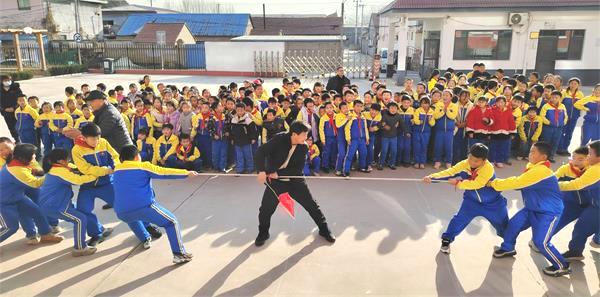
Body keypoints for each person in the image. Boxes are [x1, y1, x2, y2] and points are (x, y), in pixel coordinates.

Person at [489, 142, 570, 277]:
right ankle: (508, 248)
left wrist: (492, 183)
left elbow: (517, 182)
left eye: (533, 152)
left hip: (548, 213)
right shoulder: (533, 167)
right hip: (531, 208)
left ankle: (562, 266)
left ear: (543, 156)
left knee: (541, 242)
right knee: (512, 226)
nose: (529, 154)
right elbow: (522, 183)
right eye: (530, 151)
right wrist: (518, 184)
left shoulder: (541, 171)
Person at [254, 121, 335, 246]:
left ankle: (324, 230)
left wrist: (278, 174)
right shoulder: (279, 139)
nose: (306, 138)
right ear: (294, 134)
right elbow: (260, 152)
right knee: (265, 209)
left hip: (295, 180)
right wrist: (261, 171)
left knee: (312, 205)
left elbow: (297, 169)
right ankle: (263, 233)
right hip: (275, 182)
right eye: (304, 135)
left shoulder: (303, 147)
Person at [114, 145, 197, 264]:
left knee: (132, 217)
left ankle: (145, 238)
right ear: (137, 156)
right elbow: (164, 172)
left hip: (121, 212)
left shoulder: (117, 168)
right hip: (143, 207)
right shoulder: (143, 167)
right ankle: (179, 254)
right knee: (171, 222)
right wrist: (186, 173)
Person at [424, 143, 508, 254]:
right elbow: (450, 172)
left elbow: (477, 184)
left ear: (484, 160)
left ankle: (508, 246)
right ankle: (446, 240)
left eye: (476, 161)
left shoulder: (488, 168)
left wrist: (458, 183)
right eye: (470, 158)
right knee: (459, 220)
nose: (472, 162)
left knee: (503, 224)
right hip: (471, 202)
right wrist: (432, 178)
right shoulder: (465, 163)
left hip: (493, 203)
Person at [0, 143, 64, 244]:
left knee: (38, 213)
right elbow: (36, 184)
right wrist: (53, 174)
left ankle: (45, 235)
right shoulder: (17, 170)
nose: (34, 156)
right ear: (24, 157)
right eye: (33, 154)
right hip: (3, 203)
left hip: (17, 198)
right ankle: (33, 234)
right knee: (11, 227)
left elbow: (36, 171)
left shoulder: (17, 162)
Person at [39, 149, 98, 256]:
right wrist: (95, 175)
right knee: (80, 219)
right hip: (56, 206)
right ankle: (80, 248)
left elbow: (72, 167)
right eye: (68, 159)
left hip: (52, 203)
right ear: (61, 161)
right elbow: (77, 180)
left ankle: (99, 229)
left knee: (80, 211)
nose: (69, 160)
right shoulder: (60, 172)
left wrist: (85, 168)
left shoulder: (56, 167)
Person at [558, 140, 599, 261]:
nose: (588, 156)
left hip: (597, 207)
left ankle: (575, 251)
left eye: (590, 153)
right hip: (595, 203)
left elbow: (577, 184)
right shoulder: (594, 166)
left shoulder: (596, 170)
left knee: (581, 228)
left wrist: (556, 184)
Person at [557, 78, 585, 155]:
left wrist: (580, 115)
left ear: (578, 85)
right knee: (562, 132)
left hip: (574, 117)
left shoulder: (580, 94)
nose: (573, 85)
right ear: (569, 84)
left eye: (575, 84)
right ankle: (560, 149)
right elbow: (559, 104)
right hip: (564, 117)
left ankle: (565, 148)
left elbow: (582, 105)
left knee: (569, 133)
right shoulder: (564, 93)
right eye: (572, 83)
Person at [229, 102, 257, 174]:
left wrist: (253, 138)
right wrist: (232, 139)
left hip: (246, 141)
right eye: (238, 110)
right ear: (236, 110)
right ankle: (240, 169)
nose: (240, 112)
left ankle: (250, 168)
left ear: (245, 110)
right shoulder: (233, 120)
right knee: (239, 156)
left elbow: (253, 130)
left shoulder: (248, 120)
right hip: (237, 141)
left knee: (248, 155)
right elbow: (231, 131)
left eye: (241, 110)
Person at [539, 90, 568, 162]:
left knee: (555, 142)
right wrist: (548, 123)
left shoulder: (562, 106)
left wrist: (563, 123)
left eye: (556, 97)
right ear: (550, 98)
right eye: (552, 97)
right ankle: (543, 156)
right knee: (546, 142)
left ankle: (551, 156)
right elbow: (542, 116)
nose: (554, 99)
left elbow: (566, 116)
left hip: (559, 128)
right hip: (548, 128)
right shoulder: (546, 106)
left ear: (560, 99)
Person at [343, 100, 370, 176]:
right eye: (357, 106)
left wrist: (367, 138)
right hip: (353, 140)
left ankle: (362, 167)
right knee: (350, 155)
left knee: (364, 153)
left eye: (361, 106)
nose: (359, 108)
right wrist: (348, 139)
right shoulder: (351, 116)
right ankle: (346, 170)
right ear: (353, 106)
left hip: (362, 139)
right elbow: (347, 128)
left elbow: (365, 128)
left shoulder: (363, 117)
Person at [433, 90, 458, 169]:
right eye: (443, 95)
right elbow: (436, 116)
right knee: (438, 146)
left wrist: (446, 111)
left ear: (451, 97)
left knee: (449, 147)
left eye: (447, 95)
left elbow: (453, 116)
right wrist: (442, 112)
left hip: (449, 131)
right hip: (439, 130)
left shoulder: (454, 106)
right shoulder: (438, 105)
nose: (445, 97)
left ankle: (448, 162)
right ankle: (437, 161)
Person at [489, 96, 516, 167]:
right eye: (498, 102)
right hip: (494, 132)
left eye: (502, 102)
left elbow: (511, 121)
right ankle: (491, 160)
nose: (500, 104)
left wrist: (512, 132)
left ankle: (499, 161)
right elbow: (490, 121)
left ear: (505, 103)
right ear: (496, 103)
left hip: (505, 133)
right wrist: (489, 132)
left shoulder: (508, 110)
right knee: (493, 147)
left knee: (502, 147)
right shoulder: (491, 110)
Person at [379, 102, 403, 170]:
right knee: (384, 150)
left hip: (394, 137)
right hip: (385, 137)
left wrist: (407, 132)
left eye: (395, 108)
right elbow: (380, 124)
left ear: (397, 109)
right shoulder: (385, 115)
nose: (393, 109)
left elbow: (402, 125)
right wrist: (384, 126)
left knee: (394, 151)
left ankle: (392, 163)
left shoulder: (398, 116)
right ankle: (381, 163)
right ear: (388, 109)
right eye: (391, 108)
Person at [413, 97, 435, 169]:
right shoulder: (418, 110)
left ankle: (422, 162)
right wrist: (419, 122)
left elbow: (433, 124)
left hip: (426, 133)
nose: (425, 105)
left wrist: (429, 121)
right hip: (417, 132)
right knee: (417, 147)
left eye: (426, 103)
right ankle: (417, 162)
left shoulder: (432, 111)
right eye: (423, 103)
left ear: (429, 104)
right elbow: (415, 120)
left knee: (424, 147)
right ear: (420, 104)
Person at [207, 102, 228, 172]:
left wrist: (227, 132)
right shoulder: (211, 118)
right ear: (216, 109)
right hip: (215, 140)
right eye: (220, 106)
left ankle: (222, 167)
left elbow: (228, 126)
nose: (222, 107)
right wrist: (213, 135)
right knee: (215, 153)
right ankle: (216, 167)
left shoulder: (225, 116)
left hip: (223, 138)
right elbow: (209, 129)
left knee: (223, 153)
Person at [1, 75, 22, 141]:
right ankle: (17, 139)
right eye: (5, 80)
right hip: (6, 112)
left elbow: (21, 98)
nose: (7, 82)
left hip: (17, 110)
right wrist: (4, 109)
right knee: (11, 127)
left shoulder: (16, 88)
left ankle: (22, 139)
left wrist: (14, 108)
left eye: (8, 80)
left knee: (20, 125)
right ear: (1, 81)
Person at [318, 101, 338, 173]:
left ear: (333, 108)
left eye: (330, 108)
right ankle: (325, 166)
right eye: (327, 108)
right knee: (326, 152)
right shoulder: (323, 118)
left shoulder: (336, 116)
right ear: (325, 109)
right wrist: (323, 139)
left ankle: (333, 164)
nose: (329, 109)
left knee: (334, 151)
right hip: (327, 138)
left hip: (335, 137)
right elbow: (321, 129)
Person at [191, 102, 212, 168]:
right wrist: (192, 135)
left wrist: (208, 126)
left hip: (208, 136)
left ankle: (209, 164)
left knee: (208, 150)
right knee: (201, 150)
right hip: (200, 136)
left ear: (209, 109)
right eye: (203, 108)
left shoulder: (211, 117)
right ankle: (202, 164)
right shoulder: (198, 116)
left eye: (206, 108)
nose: (204, 109)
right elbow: (194, 127)